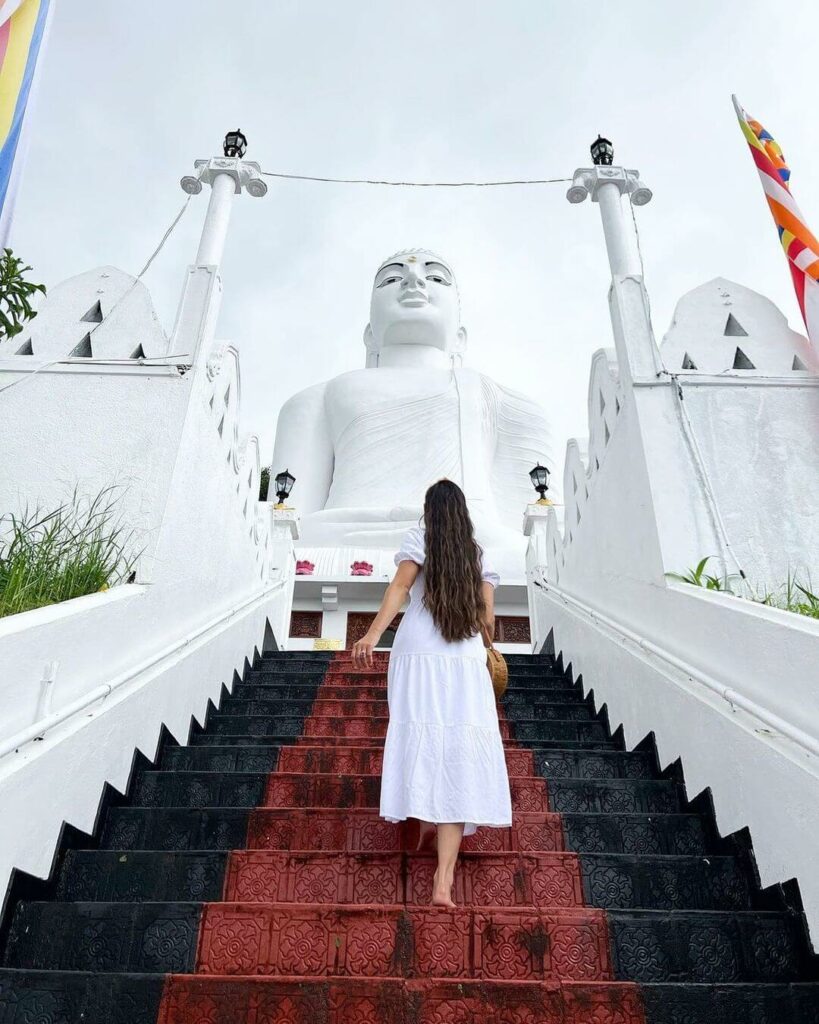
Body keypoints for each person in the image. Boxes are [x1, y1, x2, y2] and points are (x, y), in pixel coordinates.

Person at [351, 479, 512, 907]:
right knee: (458, 753)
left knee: (421, 738)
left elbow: (400, 590)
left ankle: (423, 816)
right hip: (463, 659)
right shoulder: (477, 556)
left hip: (418, 654)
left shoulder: (419, 539)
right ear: (463, 513)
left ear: (430, 510)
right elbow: (488, 623)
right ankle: (443, 882)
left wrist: (370, 635)